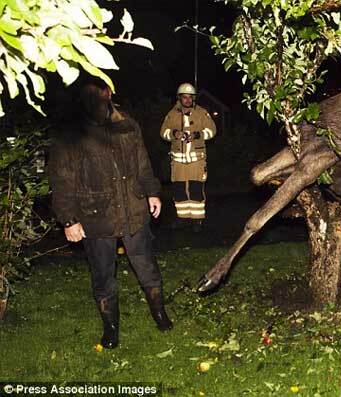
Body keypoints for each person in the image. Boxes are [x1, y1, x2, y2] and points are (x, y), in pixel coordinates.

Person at [48, 78, 173, 349]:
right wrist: (69, 219)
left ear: (110, 91)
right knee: (103, 277)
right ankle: (111, 329)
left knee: (147, 267)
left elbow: (142, 162)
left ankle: (160, 314)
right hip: (95, 215)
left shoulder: (126, 123)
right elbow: (61, 179)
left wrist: (152, 191)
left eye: (102, 90)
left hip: (133, 210)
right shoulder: (72, 132)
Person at [160, 83, 216, 232]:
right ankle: (182, 219)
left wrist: (197, 134)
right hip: (178, 162)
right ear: (179, 98)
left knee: (196, 189)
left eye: (190, 97)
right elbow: (163, 132)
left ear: (193, 98)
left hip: (197, 161)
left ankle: (197, 221)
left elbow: (212, 130)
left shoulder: (201, 113)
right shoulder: (172, 114)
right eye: (184, 97)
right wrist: (174, 134)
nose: (187, 100)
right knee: (179, 190)